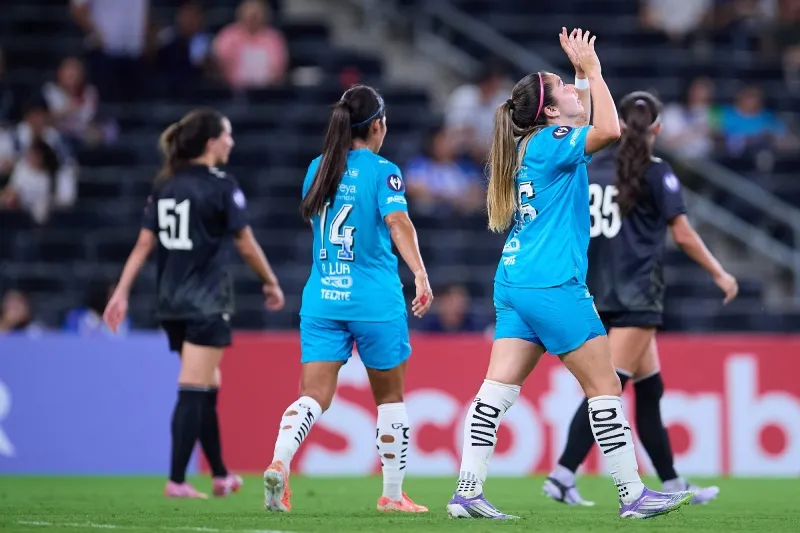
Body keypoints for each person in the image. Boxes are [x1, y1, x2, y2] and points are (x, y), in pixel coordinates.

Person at [445, 28, 694, 520]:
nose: (569, 89)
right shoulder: (554, 142)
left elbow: (582, 114)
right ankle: (633, 495)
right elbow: (609, 131)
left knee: (495, 392)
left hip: (514, 281)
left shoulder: (529, 145)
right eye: (559, 86)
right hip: (553, 284)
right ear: (550, 113)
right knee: (605, 388)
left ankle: (467, 491)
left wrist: (579, 73)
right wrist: (597, 73)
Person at [544, 90, 738, 507]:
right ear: (658, 127)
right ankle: (562, 473)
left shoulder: (591, 167)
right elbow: (682, 233)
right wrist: (720, 272)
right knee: (607, 390)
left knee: (650, 390)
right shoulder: (654, 171)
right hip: (636, 295)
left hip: (596, 289)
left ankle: (671, 481)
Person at [262, 84, 433, 514]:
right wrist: (419, 272)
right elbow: (397, 222)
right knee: (390, 399)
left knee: (313, 395)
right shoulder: (383, 170)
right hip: (375, 300)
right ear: (377, 125)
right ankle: (393, 496)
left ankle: (280, 463)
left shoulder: (317, 169)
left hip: (322, 297)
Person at [103, 108, 286, 499]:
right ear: (211, 143)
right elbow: (245, 242)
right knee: (194, 385)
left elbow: (143, 245)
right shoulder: (221, 185)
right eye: (228, 135)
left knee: (207, 383)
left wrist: (121, 291)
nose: (231, 142)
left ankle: (220, 474)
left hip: (170, 302)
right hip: (205, 301)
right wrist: (269, 281)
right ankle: (177, 480)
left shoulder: (166, 184)